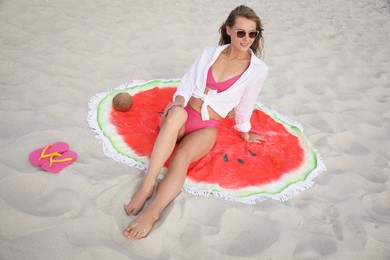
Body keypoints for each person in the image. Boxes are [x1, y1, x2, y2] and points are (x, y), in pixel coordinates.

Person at [123, 5, 268, 239]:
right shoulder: (210, 53)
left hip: (208, 126)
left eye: (253, 34)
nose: (247, 39)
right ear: (229, 30)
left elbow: (246, 104)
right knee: (177, 115)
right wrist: (178, 101)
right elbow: (188, 83)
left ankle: (153, 210)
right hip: (183, 115)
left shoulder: (257, 70)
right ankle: (147, 185)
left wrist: (245, 131)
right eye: (241, 32)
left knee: (182, 156)